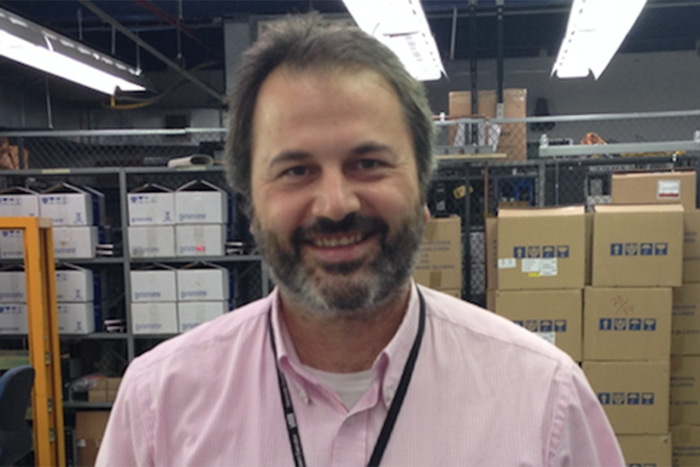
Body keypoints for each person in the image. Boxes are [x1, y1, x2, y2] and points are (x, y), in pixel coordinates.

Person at [96, 13, 625, 467]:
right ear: (250, 206)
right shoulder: (159, 407)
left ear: (423, 187)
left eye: (368, 163)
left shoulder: (544, 401)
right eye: (296, 170)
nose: (335, 204)